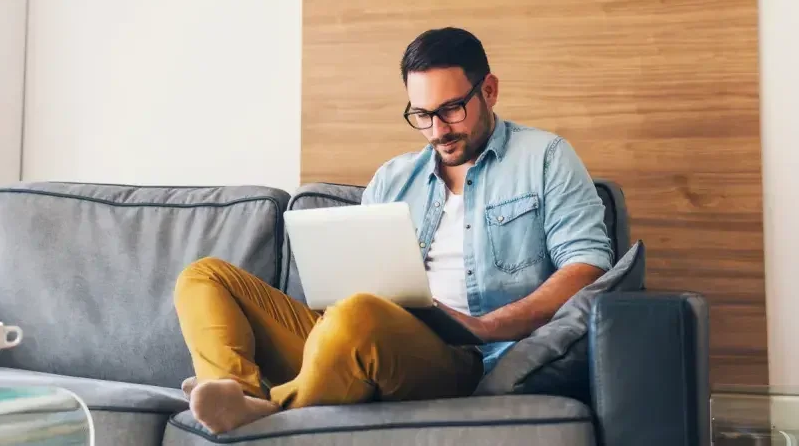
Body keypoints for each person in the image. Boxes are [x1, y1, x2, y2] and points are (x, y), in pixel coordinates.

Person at [173, 27, 614, 434]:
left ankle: (272, 408)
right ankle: (238, 394)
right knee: (204, 277)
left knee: (357, 315)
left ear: (490, 90)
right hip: (353, 335)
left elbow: (588, 266)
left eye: (452, 110)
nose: (438, 131)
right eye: (422, 115)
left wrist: (485, 326)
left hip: (461, 357)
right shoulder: (393, 177)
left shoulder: (544, 158)